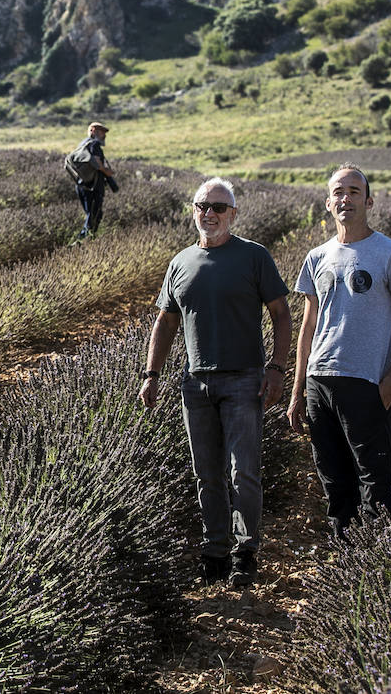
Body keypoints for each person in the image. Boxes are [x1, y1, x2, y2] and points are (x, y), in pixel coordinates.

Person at [138, 177, 291, 589]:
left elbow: (281, 313)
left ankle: (245, 552)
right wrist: (152, 374)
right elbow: (166, 322)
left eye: (219, 207)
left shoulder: (254, 257)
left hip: (244, 379)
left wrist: (276, 368)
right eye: (202, 205)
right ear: (193, 211)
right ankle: (214, 549)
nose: (210, 213)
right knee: (206, 472)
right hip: (196, 382)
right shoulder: (180, 262)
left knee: (244, 472)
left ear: (234, 214)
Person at [287, 164, 391, 539]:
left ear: (369, 200)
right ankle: (347, 565)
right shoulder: (316, 257)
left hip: (366, 383)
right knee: (333, 481)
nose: (345, 198)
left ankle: (379, 564)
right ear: (328, 203)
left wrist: (390, 383)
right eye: (338, 192)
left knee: (375, 483)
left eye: (353, 191)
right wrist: (298, 391)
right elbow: (308, 329)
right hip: (320, 382)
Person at [70, 122, 117, 239]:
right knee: (94, 216)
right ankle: (81, 241)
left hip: (82, 186)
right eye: (102, 132)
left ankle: (88, 240)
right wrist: (107, 172)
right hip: (93, 187)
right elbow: (97, 164)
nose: (104, 135)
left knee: (92, 215)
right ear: (93, 131)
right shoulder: (94, 145)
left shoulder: (82, 144)